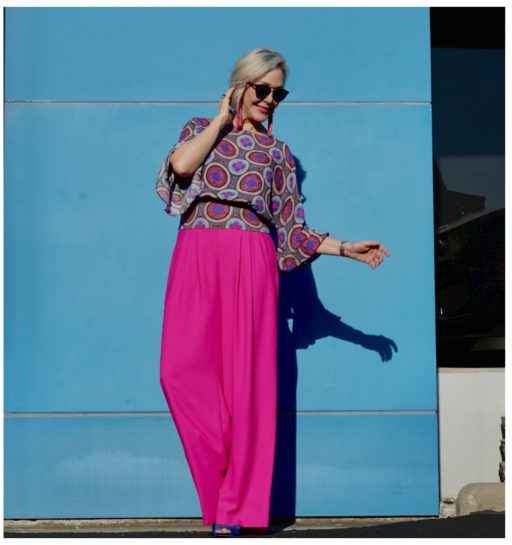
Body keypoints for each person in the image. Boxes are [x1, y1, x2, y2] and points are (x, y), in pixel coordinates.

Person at [154, 48, 390, 537]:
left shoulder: (277, 154)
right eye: (262, 89)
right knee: (177, 373)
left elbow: (293, 229)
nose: (270, 100)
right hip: (197, 251)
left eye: (278, 92)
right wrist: (222, 118)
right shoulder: (200, 127)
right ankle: (221, 486)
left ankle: (233, 514)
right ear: (239, 87)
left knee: (247, 391)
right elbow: (180, 168)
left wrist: (346, 248)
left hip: (253, 258)